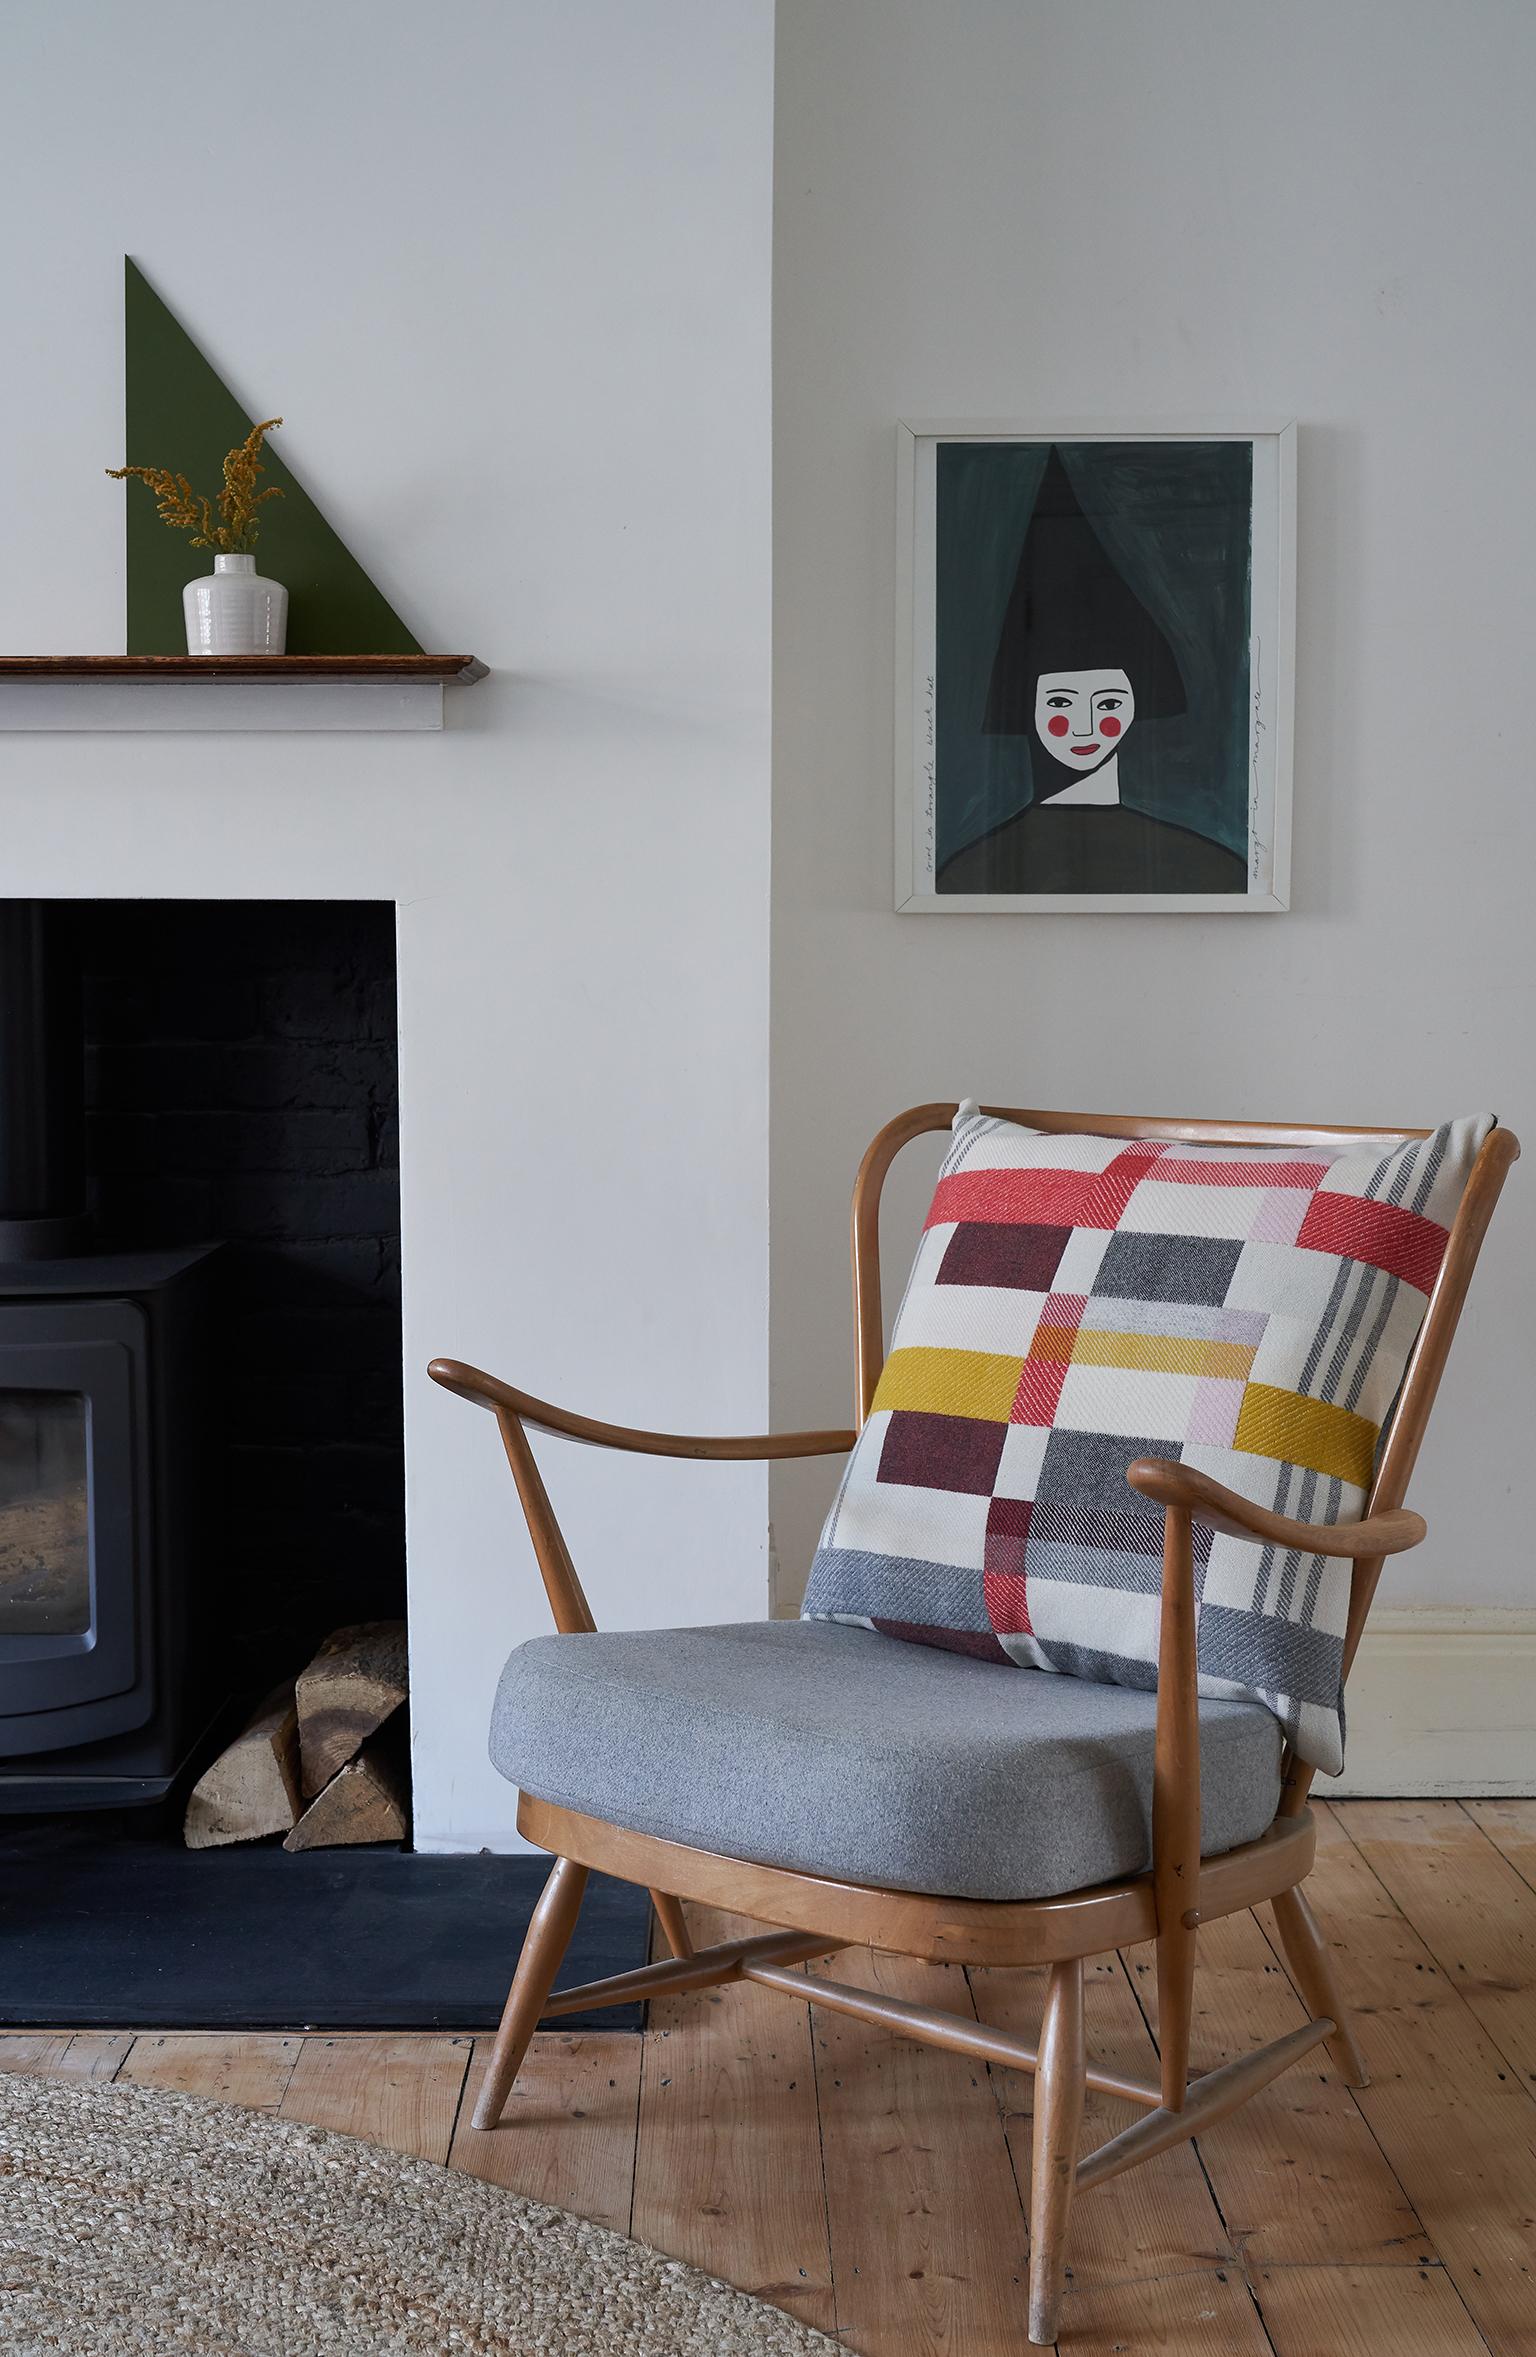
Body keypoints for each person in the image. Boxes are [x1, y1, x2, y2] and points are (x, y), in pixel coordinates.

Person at [937, 447, 1247, 894]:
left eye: (1108, 703)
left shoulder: (1213, 869)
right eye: (1062, 701)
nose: (1085, 726)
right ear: (1029, 707)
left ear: (1135, 705)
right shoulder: (967, 875)